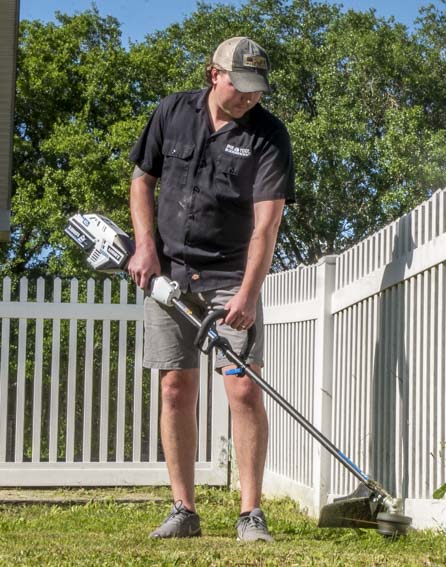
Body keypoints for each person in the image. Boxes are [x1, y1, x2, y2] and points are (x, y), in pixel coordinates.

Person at [127, 36, 294, 542]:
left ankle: (250, 514)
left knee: (243, 387)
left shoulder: (269, 135)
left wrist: (246, 293)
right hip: (170, 272)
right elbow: (142, 180)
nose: (248, 97)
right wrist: (144, 245)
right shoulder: (171, 113)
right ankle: (184, 509)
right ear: (212, 74)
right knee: (175, 387)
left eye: (256, 90)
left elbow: (266, 226)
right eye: (239, 86)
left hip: (230, 274)